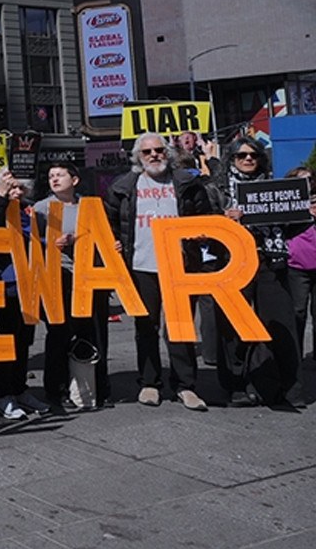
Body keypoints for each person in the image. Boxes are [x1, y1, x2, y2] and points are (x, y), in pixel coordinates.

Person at [103, 132, 211, 411]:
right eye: (147, 152)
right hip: (141, 267)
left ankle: (186, 386)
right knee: (146, 327)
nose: (154, 156)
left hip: (181, 267)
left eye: (159, 151)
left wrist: (202, 235)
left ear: (169, 153)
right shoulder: (124, 186)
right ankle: (149, 383)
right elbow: (108, 220)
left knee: (181, 328)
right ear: (138, 157)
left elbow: (207, 217)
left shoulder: (188, 184)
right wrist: (113, 240)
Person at [206, 139, 305, 407]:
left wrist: (307, 215)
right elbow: (203, 229)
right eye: (241, 155)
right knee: (233, 327)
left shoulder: (275, 186)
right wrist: (223, 221)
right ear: (232, 157)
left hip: (270, 262)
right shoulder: (217, 189)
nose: (248, 159)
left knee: (279, 322)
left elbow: (291, 228)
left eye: (254, 155)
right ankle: (236, 385)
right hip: (232, 262)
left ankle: (285, 387)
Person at [34, 162, 110, 411]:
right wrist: (50, 244)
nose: (54, 179)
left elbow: (104, 236)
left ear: (74, 180)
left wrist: (112, 247)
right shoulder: (41, 208)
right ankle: (55, 391)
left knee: (91, 332)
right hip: (60, 276)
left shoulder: (90, 206)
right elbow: (30, 244)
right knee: (60, 333)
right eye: (50, 176)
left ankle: (93, 387)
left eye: (60, 175)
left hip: (89, 277)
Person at [0, 169, 51, 422]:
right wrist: (1, 194)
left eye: (20, 188)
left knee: (24, 341)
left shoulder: (27, 212)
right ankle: (3, 396)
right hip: (5, 288)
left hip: (28, 286)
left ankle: (20, 390)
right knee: (7, 343)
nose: (17, 192)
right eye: (12, 187)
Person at [285, 166, 316, 361]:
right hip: (297, 265)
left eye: (310, 180)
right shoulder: (285, 203)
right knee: (297, 312)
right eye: (301, 180)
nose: (307, 184)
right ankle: (294, 354)